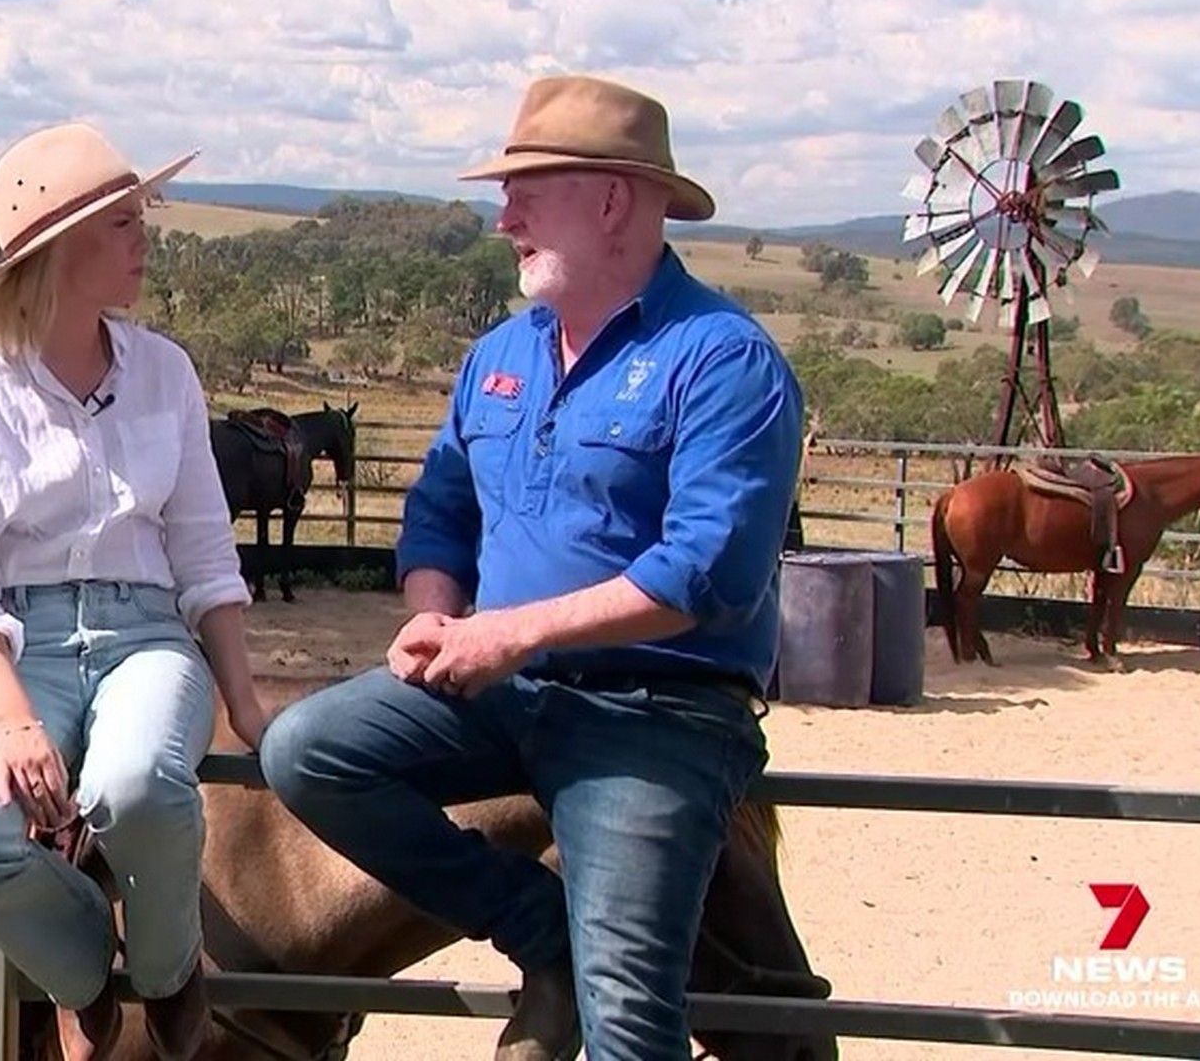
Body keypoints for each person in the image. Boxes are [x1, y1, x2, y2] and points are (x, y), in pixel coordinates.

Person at [260, 75, 804, 1061]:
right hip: (504, 692)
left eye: (526, 194)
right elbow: (440, 508)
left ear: (611, 201)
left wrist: (510, 633)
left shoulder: (723, 360)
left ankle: (585, 964)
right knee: (308, 752)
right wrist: (435, 611)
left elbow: (708, 572)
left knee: (629, 1018)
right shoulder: (500, 356)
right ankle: (537, 925)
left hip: (656, 717)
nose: (503, 218)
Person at [0, 123, 266, 1061]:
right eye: (124, 223)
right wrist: (13, 720)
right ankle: (83, 967)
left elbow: (204, 549)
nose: (146, 238)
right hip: (14, 644)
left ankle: (169, 971)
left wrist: (243, 699)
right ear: (61, 251)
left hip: (146, 633)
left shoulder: (166, 372)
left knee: (135, 786)